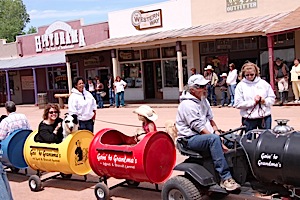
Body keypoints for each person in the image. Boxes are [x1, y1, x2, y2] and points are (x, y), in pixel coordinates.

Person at [176, 74, 240, 191]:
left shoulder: (203, 100)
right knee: (214, 140)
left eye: (205, 85)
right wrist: (218, 140)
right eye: (202, 86)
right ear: (192, 89)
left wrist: (217, 132)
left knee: (234, 138)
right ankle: (225, 178)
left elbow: (210, 119)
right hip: (190, 139)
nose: (205, 88)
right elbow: (198, 128)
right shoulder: (187, 105)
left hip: (205, 135)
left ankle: (242, 173)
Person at [234, 62, 275, 133]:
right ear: (243, 74)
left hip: (264, 118)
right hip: (249, 119)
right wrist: (253, 102)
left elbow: (272, 98)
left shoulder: (264, 83)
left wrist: (264, 101)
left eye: (252, 74)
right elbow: (237, 104)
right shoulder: (240, 86)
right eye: (247, 75)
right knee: (249, 141)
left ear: (256, 73)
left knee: (266, 140)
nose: (249, 77)